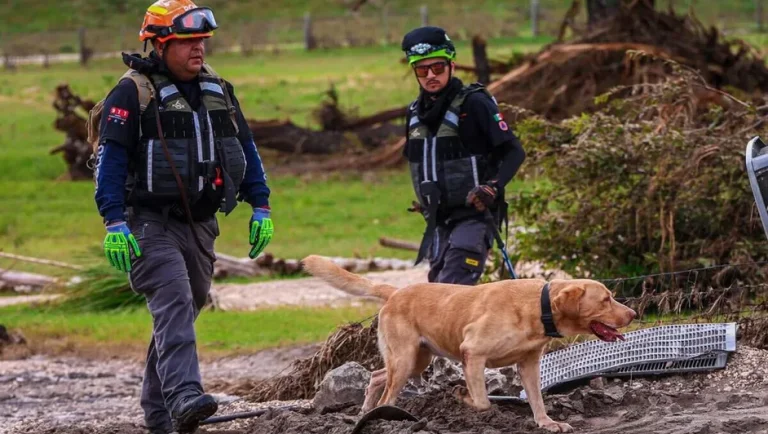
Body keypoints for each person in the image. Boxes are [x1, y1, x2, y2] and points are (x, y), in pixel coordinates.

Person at [91, 1, 273, 432]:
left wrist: (260, 204)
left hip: (202, 224)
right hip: (147, 224)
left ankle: (159, 417)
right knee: (172, 301)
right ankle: (185, 396)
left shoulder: (219, 90)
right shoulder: (131, 92)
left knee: (183, 310)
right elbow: (110, 161)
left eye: (202, 41)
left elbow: (246, 149)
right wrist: (114, 221)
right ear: (158, 45)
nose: (199, 49)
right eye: (187, 41)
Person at [401, 26, 526, 285]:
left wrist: (492, 187)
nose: (431, 76)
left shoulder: (475, 103)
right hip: (437, 221)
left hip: (475, 216)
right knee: (436, 291)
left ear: (452, 65)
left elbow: (515, 151)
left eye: (438, 67)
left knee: (451, 290)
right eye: (422, 70)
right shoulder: (413, 113)